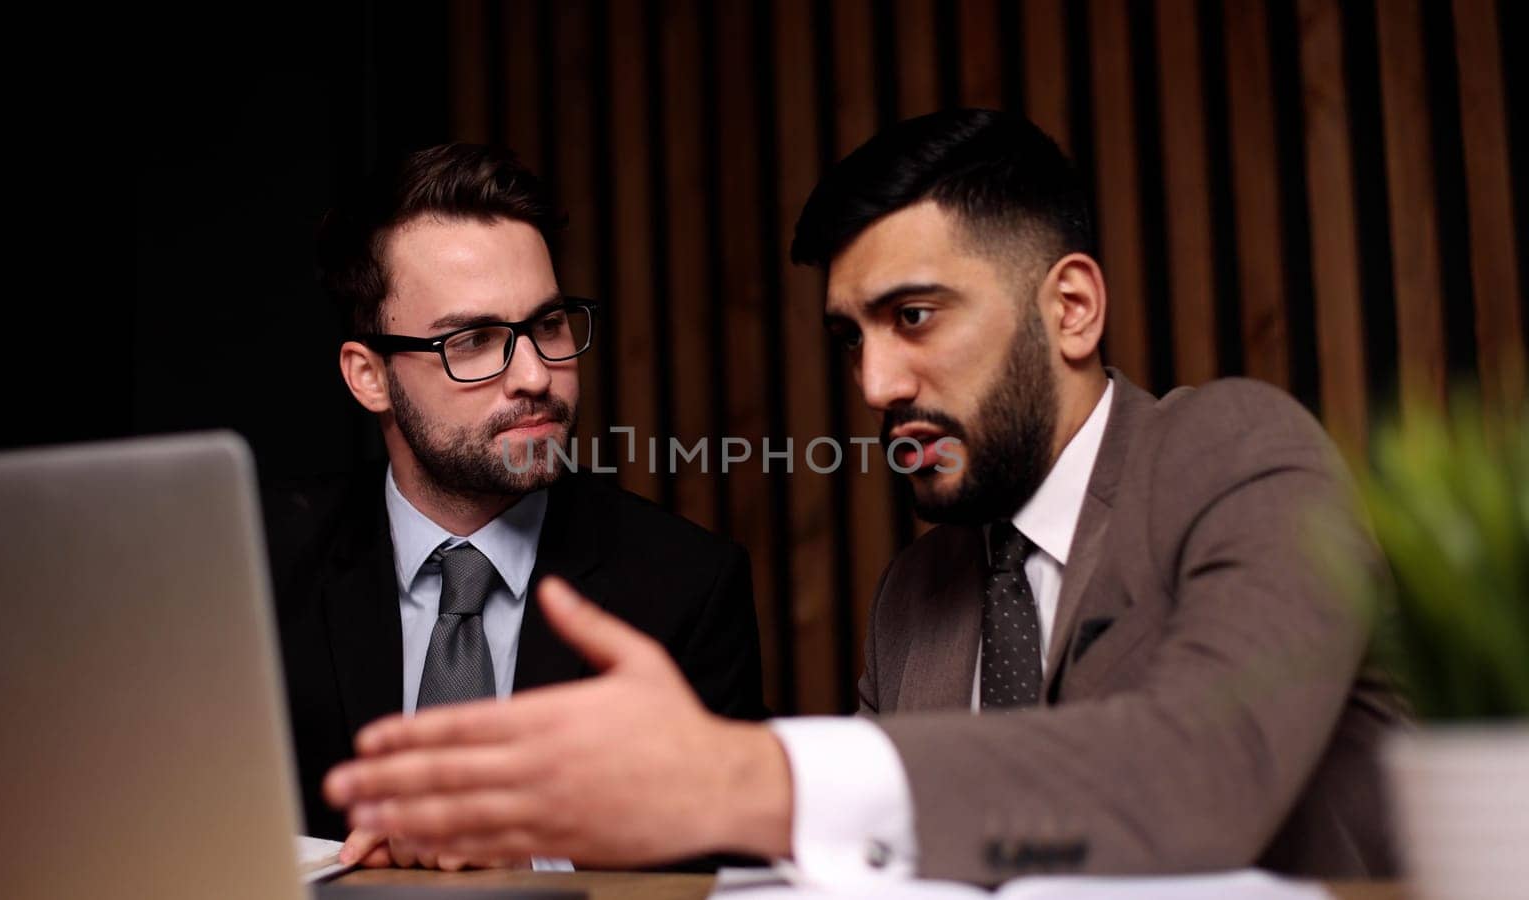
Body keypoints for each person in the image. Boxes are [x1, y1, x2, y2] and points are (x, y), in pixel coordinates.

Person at [318, 110, 1403, 886]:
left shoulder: (1237, 455)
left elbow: (1198, 773)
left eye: (915, 317)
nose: (876, 385)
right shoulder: (916, 597)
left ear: (1069, 308)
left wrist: (748, 776)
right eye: (853, 339)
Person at [264, 143, 766, 869]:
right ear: (369, 376)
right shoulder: (261, 569)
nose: (535, 375)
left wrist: (527, 853)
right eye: (473, 341)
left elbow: (724, 870)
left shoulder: (686, 588)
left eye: (550, 326)